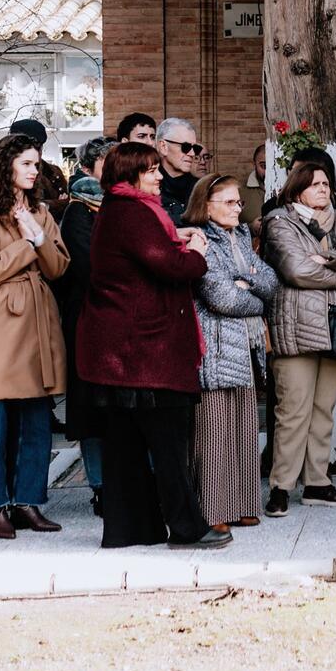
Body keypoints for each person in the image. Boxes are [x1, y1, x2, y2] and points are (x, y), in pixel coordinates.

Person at [77, 142, 229, 549]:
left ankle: (133, 530)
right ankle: (187, 528)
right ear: (130, 176)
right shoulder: (135, 211)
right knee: (168, 444)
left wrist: (172, 235)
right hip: (145, 352)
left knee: (125, 446)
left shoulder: (119, 208)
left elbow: (144, 251)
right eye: (150, 171)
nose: (159, 176)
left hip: (125, 352)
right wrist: (196, 251)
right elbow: (173, 267)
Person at [0, 135, 71, 538]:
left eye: (36, 164)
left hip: (39, 316)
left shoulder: (40, 210)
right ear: (7, 166)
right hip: (0, 317)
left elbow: (58, 268)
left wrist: (39, 237)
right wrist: (27, 242)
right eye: (25, 163)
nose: (33, 171)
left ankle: (28, 501)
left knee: (36, 415)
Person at [260, 162, 336, 515]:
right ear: (297, 190)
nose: (324, 189)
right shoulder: (280, 222)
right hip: (296, 329)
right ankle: (281, 486)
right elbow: (296, 270)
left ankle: (318, 482)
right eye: (315, 184)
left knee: (324, 409)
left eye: (326, 183)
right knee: (293, 411)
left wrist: (326, 256)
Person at [186, 174, 278, 531]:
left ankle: (243, 503)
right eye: (228, 202)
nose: (237, 208)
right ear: (205, 206)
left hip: (245, 343)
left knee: (243, 426)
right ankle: (214, 509)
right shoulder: (199, 237)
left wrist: (247, 281)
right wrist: (249, 287)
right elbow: (220, 296)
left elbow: (270, 281)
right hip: (215, 343)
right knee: (213, 430)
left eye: (238, 201)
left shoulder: (241, 235)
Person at [55, 136, 112, 509]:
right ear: (89, 168)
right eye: (108, 162)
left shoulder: (126, 206)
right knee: (93, 408)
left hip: (121, 323)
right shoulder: (79, 210)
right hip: (89, 320)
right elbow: (91, 267)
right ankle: (100, 485)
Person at [155, 117, 204, 221]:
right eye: (185, 147)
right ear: (163, 147)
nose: (192, 154)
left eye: (195, 148)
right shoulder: (148, 187)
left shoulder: (201, 189)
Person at [238, 144, 269, 231]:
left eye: (273, 166)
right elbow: (228, 228)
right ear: (254, 164)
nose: (268, 172)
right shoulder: (240, 192)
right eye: (263, 166)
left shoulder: (288, 190)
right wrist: (250, 227)